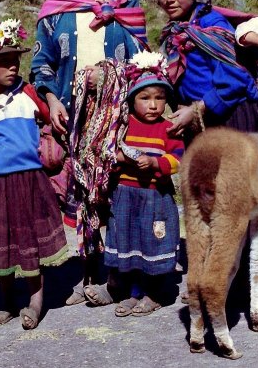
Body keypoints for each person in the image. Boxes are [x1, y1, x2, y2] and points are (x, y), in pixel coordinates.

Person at [30, 0, 148, 307]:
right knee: (80, 195)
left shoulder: (126, 5)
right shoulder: (54, 11)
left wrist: (112, 79)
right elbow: (40, 64)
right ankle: (89, 272)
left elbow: (143, 63)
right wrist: (53, 98)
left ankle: (121, 273)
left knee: (115, 190)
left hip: (115, 119)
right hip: (71, 120)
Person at [0, 19, 67, 330]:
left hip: (31, 183)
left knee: (29, 245)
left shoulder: (27, 94)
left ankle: (35, 299)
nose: (13, 68)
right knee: (2, 248)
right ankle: (6, 299)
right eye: (4, 63)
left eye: (15, 61)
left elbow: (49, 122)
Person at [103, 51, 184, 317]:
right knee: (128, 240)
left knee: (153, 242)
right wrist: (120, 158)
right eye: (145, 98)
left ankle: (156, 293)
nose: (153, 105)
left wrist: (155, 164)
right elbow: (108, 154)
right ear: (131, 100)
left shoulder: (168, 128)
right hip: (126, 196)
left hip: (155, 198)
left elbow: (178, 159)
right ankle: (128, 290)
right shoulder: (123, 126)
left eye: (159, 98)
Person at [150, 0, 258, 139]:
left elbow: (235, 78)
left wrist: (197, 109)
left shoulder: (212, 26)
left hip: (230, 119)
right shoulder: (176, 28)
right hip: (199, 121)